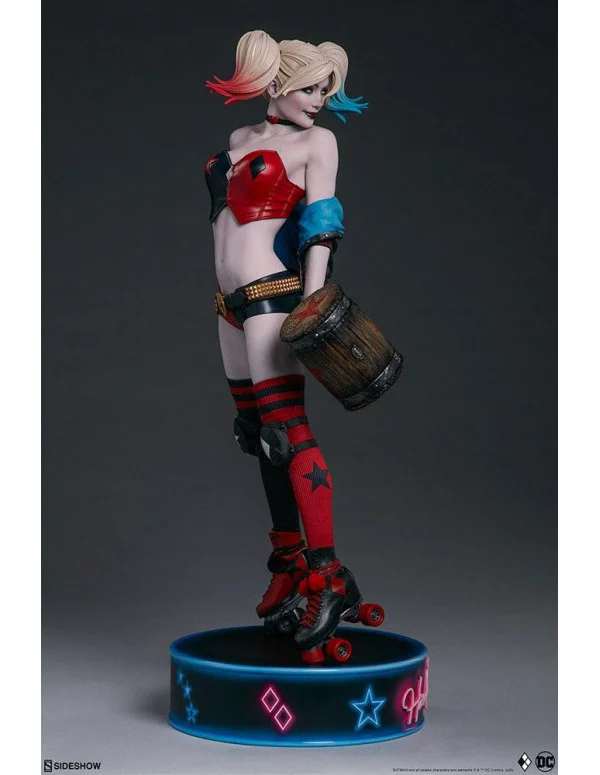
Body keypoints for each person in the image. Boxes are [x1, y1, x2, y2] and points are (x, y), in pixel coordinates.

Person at [205, 30, 369, 661]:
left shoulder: (317, 143)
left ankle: (330, 577)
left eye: (326, 89)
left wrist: (313, 305)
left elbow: (321, 224)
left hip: (275, 295)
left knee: (287, 431)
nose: (320, 100)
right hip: (229, 305)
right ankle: (289, 561)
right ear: (275, 84)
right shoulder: (239, 139)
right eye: (310, 88)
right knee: (256, 434)